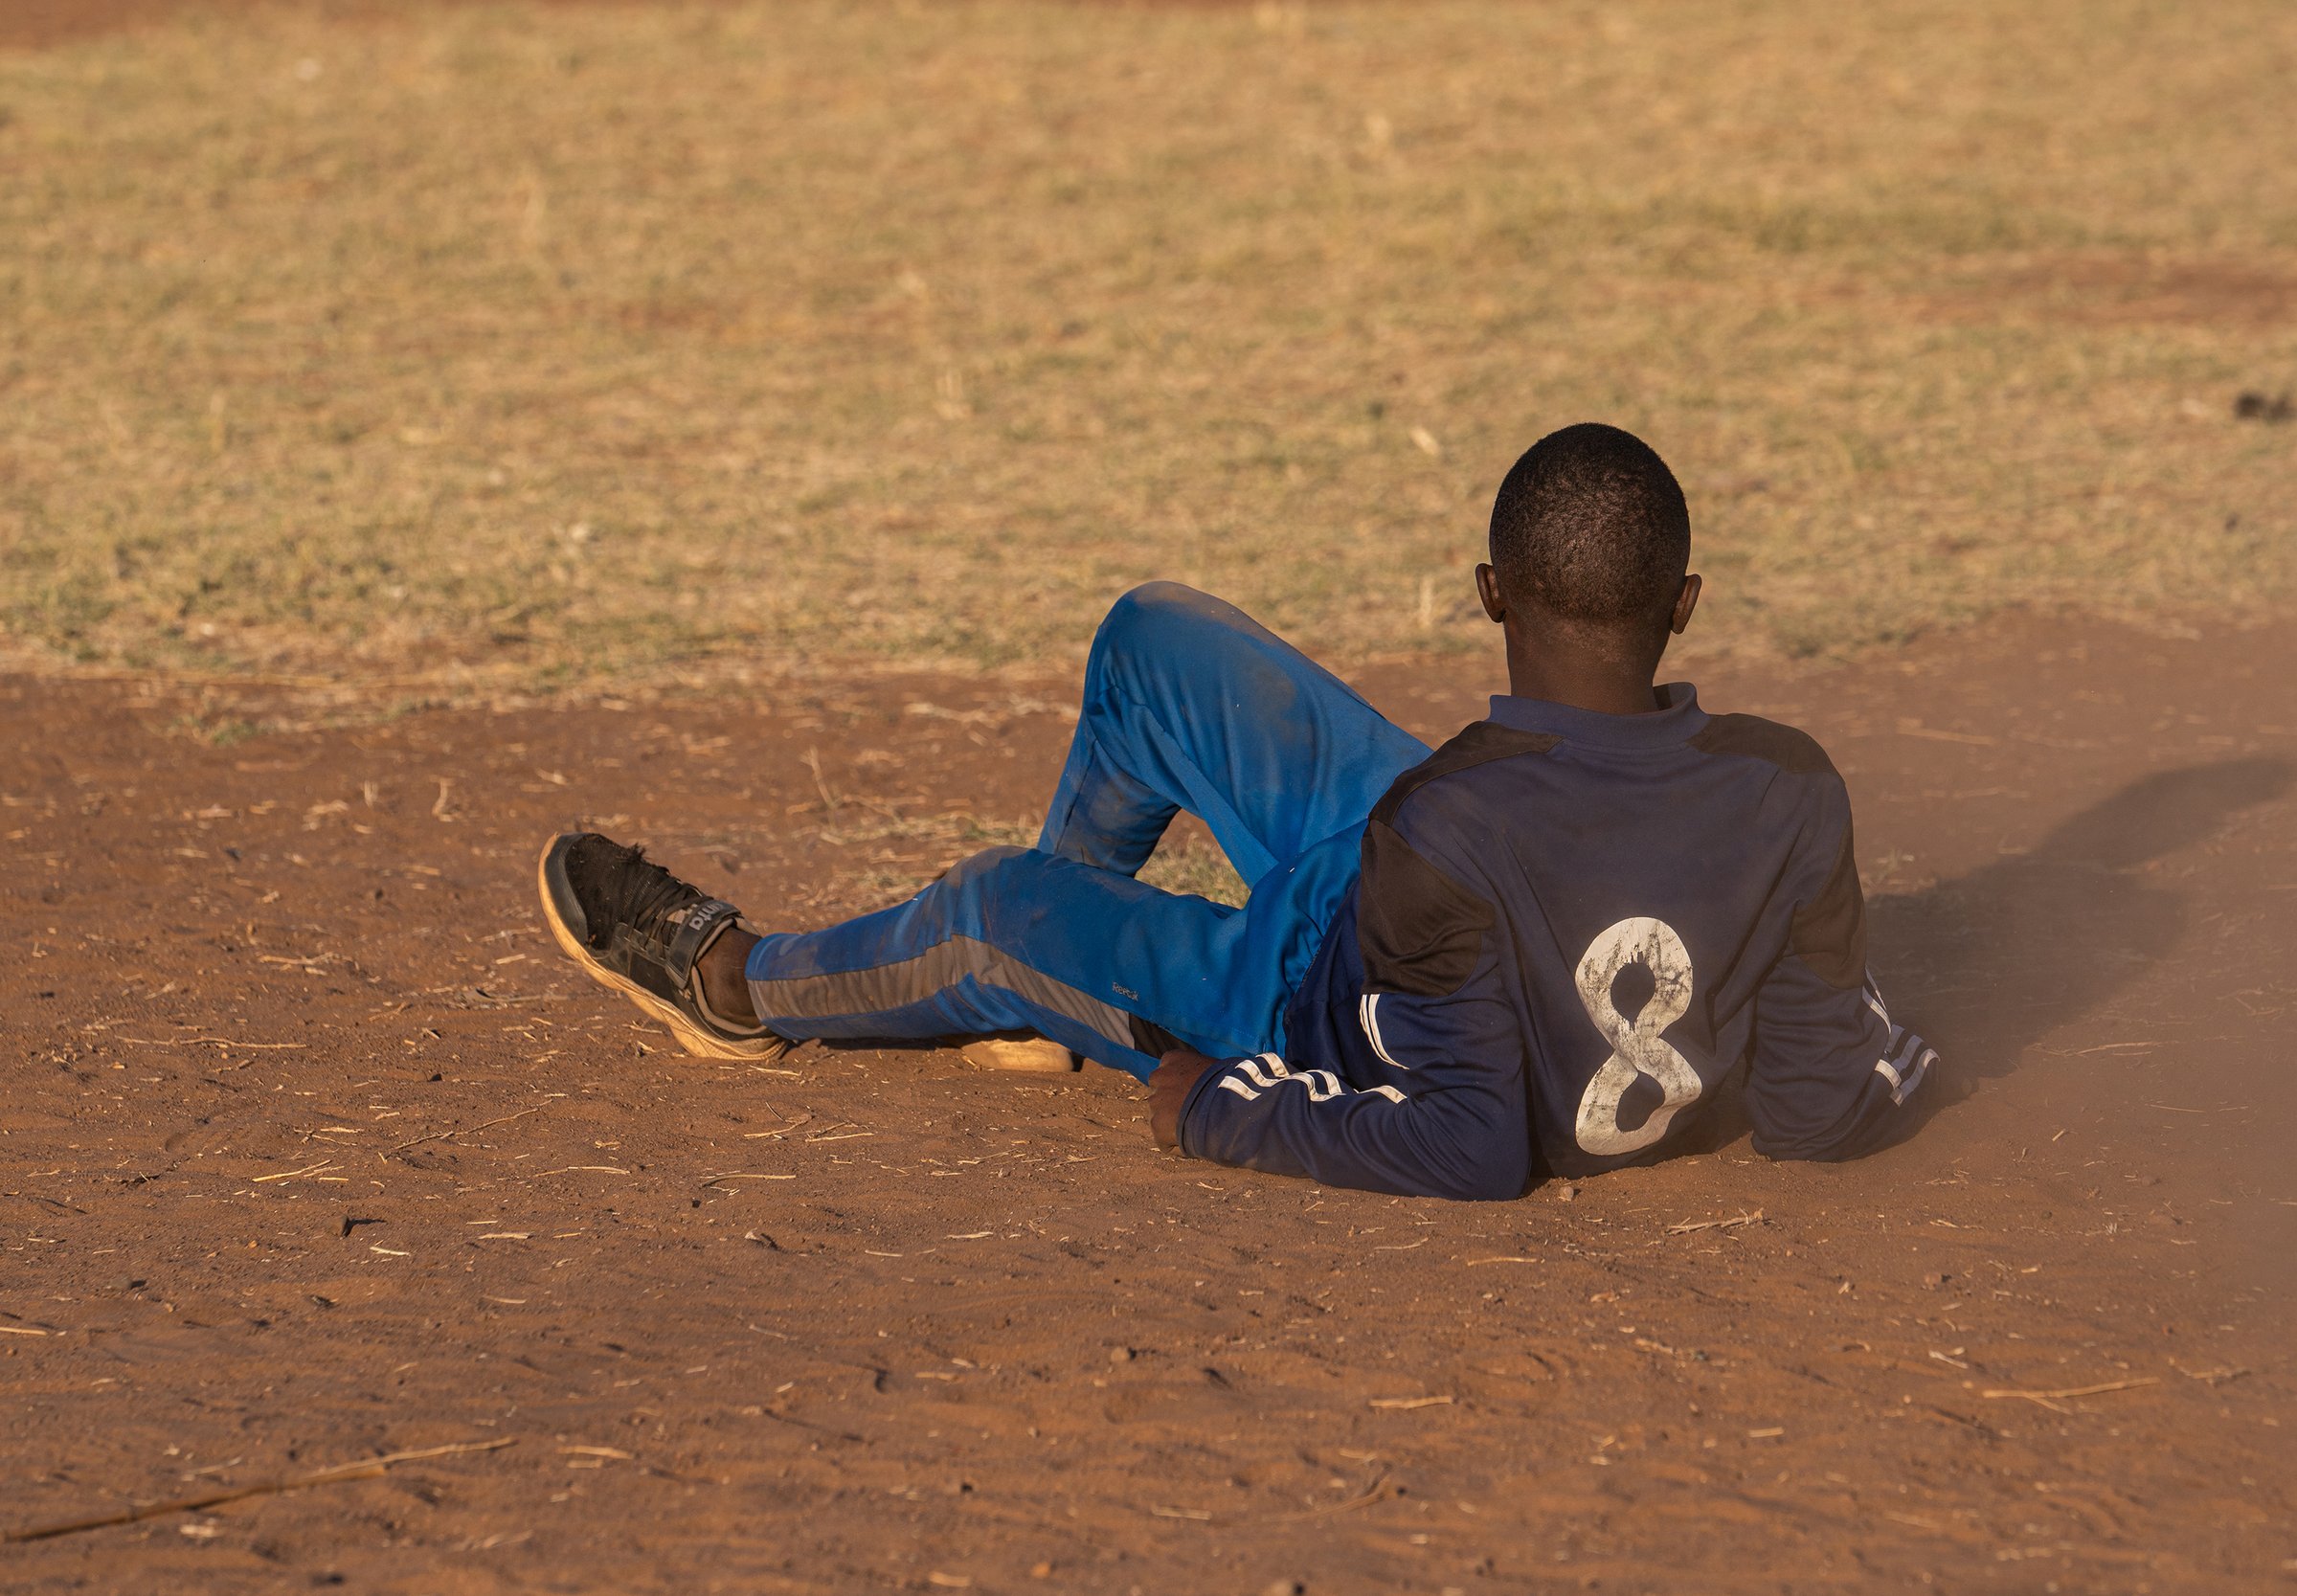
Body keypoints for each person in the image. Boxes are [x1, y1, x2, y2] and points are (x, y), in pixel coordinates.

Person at [537, 423, 1936, 1201]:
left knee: (984, 915)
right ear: (1684, 607)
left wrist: (1217, 1112)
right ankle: (1040, 1003)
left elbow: (1470, 1142)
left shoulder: (1445, 821)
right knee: (1156, 638)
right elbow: (1821, 1105)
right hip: (1434, 870)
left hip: (1298, 987)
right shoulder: (1789, 788)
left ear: (1489, 593)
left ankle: (739, 985)